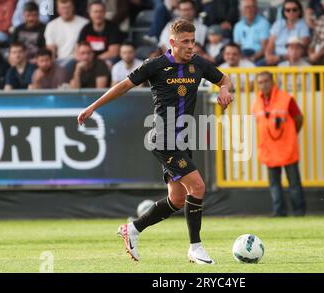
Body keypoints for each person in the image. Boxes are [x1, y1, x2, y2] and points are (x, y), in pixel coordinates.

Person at [77, 19, 233, 264]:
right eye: (185, 42)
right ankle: (196, 247)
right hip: (162, 138)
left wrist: (225, 89)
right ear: (172, 43)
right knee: (198, 187)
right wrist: (93, 107)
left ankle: (133, 229)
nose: (191, 46)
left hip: (183, 138)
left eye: (193, 41)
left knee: (177, 199)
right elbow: (123, 86)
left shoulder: (199, 64)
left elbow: (225, 79)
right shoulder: (156, 65)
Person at [252, 71, 306, 217]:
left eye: (266, 81)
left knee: (294, 183)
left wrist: (292, 134)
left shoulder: (286, 98)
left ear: (273, 82)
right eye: (260, 82)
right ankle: (279, 211)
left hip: (287, 146)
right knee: (274, 184)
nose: (263, 85)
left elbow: (299, 118)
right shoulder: (256, 102)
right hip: (269, 148)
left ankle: (299, 211)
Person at [260, 0, 310, 66]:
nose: (291, 12)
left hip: (292, 58)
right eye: (288, 10)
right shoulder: (278, 24)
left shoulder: (303, 26)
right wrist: (268, 57)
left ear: (299, 11)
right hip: (275, 57)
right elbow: (269, 47)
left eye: (294, 10)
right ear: (284, 12)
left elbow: (301, 49)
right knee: (258, 67)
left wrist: (280, 57)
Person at [44, 0, 88, 67]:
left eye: (68, 8)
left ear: (73, 8)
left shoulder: (85, 23)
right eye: (62, 8)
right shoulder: (51, 25)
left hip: (78, 60)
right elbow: (50, 49)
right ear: (58, 9)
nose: (65, 11)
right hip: (58, 62)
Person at [78, 1, 122, 66]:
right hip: (88, 59)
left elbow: (114, 52)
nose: (98, 14)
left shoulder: (113, 28)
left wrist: (94, 60)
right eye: (95, 12)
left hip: (107, 60)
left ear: (105, 13)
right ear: (90, 14)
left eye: (101, 11)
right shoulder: (86, 29)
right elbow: (79, 49)